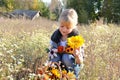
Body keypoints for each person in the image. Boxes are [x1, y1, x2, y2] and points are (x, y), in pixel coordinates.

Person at [48, 8, 84, 80]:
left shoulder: (76, 39)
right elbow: (52, 52)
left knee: (66, 57)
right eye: (62, 26)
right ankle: (55, 76)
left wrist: (77, 56)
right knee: (54, 58)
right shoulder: (55, 36)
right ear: (59, 24)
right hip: (59, 63)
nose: (64, 30)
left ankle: (73, 77)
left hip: (72, 64)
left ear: (74, 26)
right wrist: (50, 56)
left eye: (68, 27)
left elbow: (80, 61)